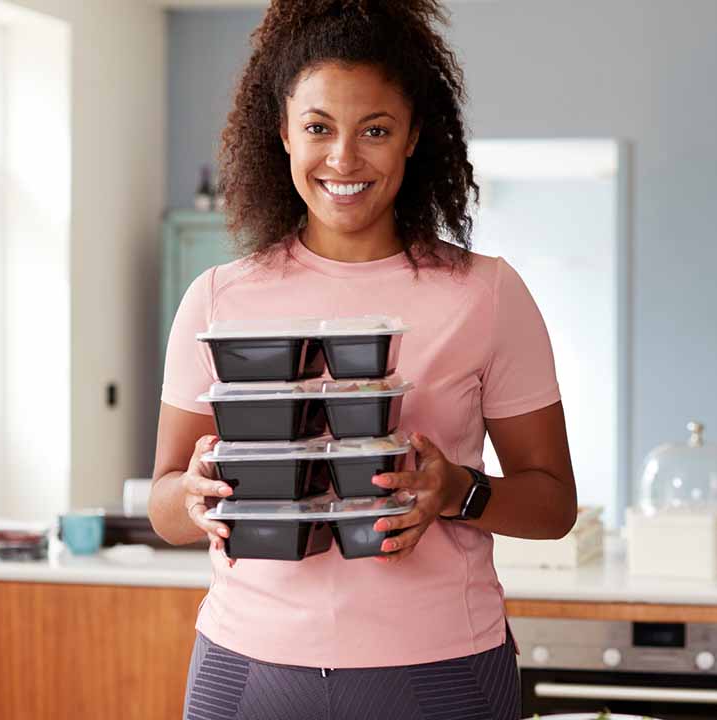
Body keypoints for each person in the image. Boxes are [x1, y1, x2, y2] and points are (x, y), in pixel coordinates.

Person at [149, 1, 577, 717]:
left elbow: (555, 502)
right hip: (247, 671)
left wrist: (458, 491)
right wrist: (192, 494)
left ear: (413, 137)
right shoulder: (217, 298)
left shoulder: (486, 293)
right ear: (283, 132)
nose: (344, 158)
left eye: (374, 130)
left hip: (440, 671)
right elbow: (167, 502)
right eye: (318, 127)